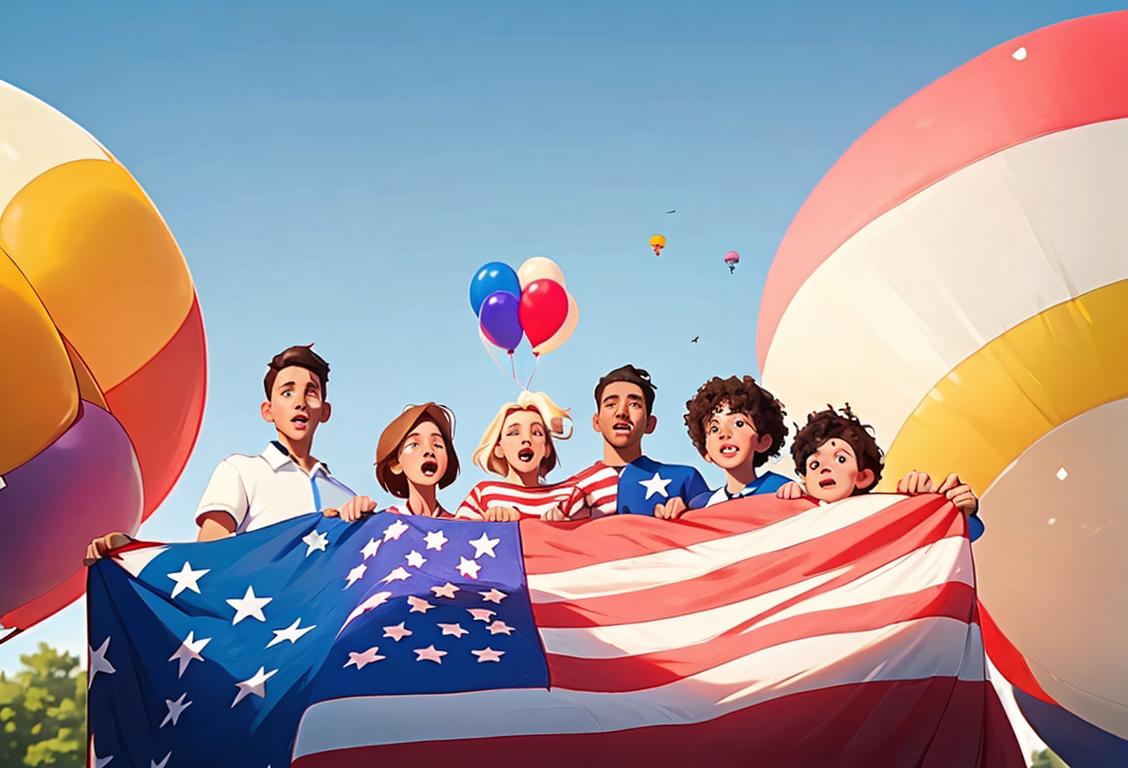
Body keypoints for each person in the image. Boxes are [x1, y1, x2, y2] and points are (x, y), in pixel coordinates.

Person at [84, 344, 358, 564]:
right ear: (268, 410)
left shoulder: (346, 497)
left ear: (325, 411)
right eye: (287, 392)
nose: (299, 402)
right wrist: (133, 556)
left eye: (311, 392)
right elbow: (208, 557)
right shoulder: (241, 470)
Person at [777, 404, 984, 540]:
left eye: (840, 458)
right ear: (804, 478)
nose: (825, 466)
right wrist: (780, 510)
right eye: (814, 464)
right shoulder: (799, 518)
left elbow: (967, 535)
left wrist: (942, 506)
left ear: (863, 476)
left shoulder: (880, 515)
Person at [566, 364, 708, 519]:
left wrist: (692, 513)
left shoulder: (683, 480)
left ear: (650, 424)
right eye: (610, 404)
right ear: (596, 422)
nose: (621, 413)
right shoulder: (572, 491)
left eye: (634, 404)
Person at [455, 390, 585, 522]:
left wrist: (567, 526)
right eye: (514, 433)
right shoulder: (483, 493)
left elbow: (590, 534)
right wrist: (490, 523)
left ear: (547, 449)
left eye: (536, 432)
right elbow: (458, 535)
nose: (526, 439)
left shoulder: (566, 497)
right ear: (498, 448)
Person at [328, 402, 460, 519]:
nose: (429, 451)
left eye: (437, 445)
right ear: (395, 463)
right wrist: (351, 517)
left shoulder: (458, 527)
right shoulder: (384, 523)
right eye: (414, 444)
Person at [683, 375, 791, 508]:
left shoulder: (779, 488)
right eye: (715, 428)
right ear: (706, 452)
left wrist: (797, 496)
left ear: (762, 441)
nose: (724, 434)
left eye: (738, 423)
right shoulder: (702, 505)